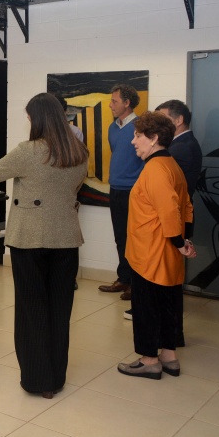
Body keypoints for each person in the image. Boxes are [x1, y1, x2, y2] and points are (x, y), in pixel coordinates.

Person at [0, 93, 88, 398]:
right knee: (59, 311)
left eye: (28, 117)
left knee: (32, 309)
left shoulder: (29, 151)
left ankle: (39, 381)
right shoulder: (78, 151)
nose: (28, 121)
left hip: (30, 239)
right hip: (66, 239)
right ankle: (56, 376)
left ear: (37, 118)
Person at [118, 112, 194, 379]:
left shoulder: (155, 169)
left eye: (138, 136)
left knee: (147, 306)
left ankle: (149, 359)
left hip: (150, 253)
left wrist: (178, 241)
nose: (133, 142)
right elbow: (185, 206)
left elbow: (169, 212)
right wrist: (183, 242)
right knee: (167, 304)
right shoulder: (171, 165)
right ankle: (169, 357)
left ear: (154, 139)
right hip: (167, 252)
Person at [98, 85, 144, 301]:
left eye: (115, 101)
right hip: (115, 190)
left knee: (135, 240)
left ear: (127, 103)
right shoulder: (112, 128)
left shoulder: (141, 127)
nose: (110, 104)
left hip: (134, 192)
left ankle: (137, 284)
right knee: (120, 238)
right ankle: (124, 279)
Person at [155, 100, 202, 198]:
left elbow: (162, 180)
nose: (159, 125)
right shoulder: (179, 143)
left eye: (163, 119)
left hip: (177, 207)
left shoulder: (181, 147)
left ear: (179, 120)